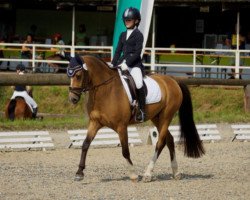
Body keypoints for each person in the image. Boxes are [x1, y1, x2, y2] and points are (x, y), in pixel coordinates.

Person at [111, 7, 145, 122]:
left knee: (139, 84)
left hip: (134, 64)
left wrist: (128, 63)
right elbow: (117, 51)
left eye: (129, 20)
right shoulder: (122, 34)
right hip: (122, 63)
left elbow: (137, 53)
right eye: (126, 20)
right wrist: (113, 63)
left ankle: (141, 110)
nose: (127, 22)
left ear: (136, 21)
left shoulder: (139, 35)